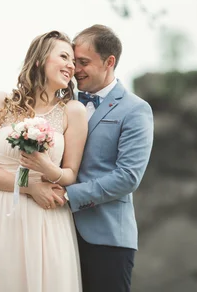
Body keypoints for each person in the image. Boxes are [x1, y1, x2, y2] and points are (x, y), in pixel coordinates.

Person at [0, 30, 88, 292]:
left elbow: (70, 174)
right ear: (39, 60)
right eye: (64, 56)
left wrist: (46, 168)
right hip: (4, 212)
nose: (71, 65)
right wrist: (29, 187)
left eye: (74, 61)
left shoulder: (73, 112)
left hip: (47, 216)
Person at [63, 24, 154, 292]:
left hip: (108, 238)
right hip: (59, 234)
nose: (74, 69)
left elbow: (128, 177)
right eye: (71, 60)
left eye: (83, 62)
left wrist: (69, 195)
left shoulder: (135, 110)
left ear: (109, 61)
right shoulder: (65, 105)